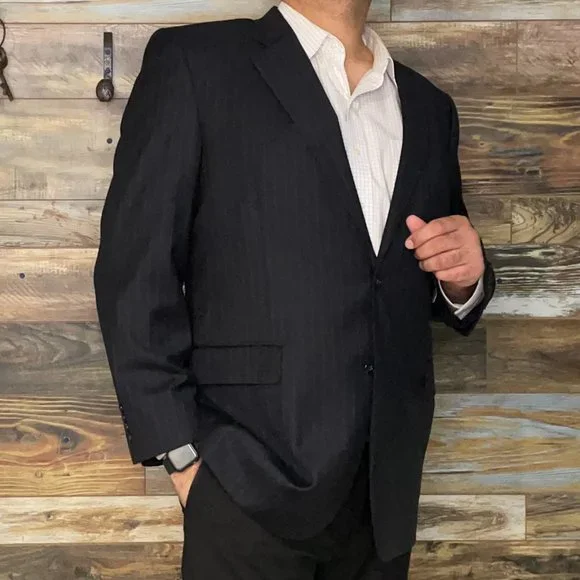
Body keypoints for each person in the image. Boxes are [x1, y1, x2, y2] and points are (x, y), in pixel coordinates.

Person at [93, 1, 496, 578]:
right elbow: (135, 270)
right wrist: (182, 457)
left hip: (383, 496)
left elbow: (411, 278)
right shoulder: (197, 64)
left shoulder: (429, 108)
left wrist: (466, 280)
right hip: (246, 487)